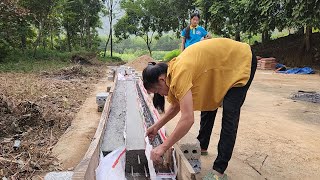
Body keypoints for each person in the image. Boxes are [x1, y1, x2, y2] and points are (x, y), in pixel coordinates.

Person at [143, 38, 257, 180]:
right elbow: (176, 106)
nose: (160, 94)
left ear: (161, 79)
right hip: (220, 64)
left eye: (157, 90)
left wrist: (163, 147)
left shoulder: (179, 73)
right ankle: (202, 145)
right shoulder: (171, 72)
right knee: (208, 100)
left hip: (240, 60)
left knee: (230, 114)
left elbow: (188, 119)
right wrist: (156, 126)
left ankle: (219, 171)